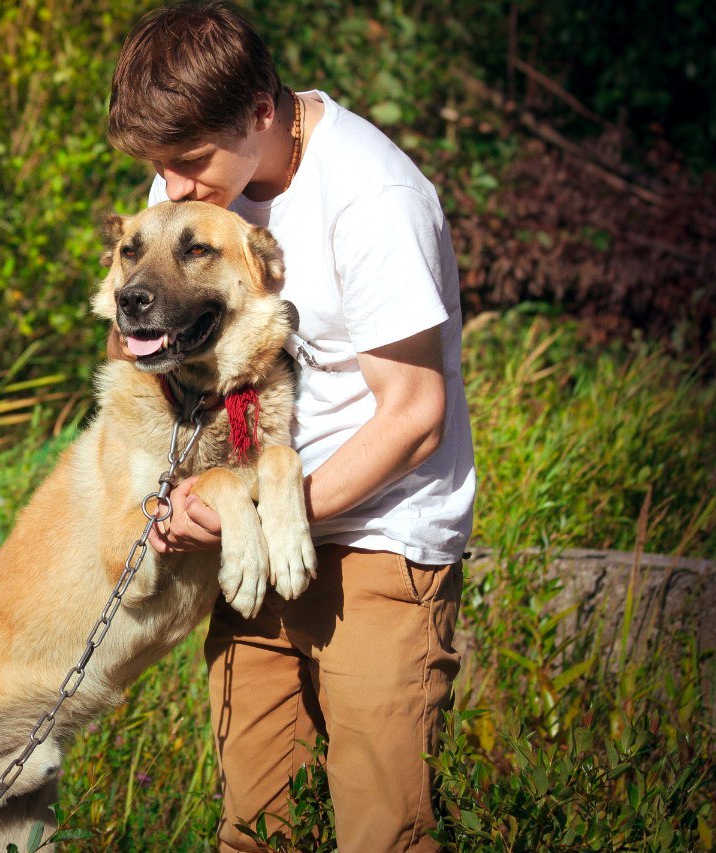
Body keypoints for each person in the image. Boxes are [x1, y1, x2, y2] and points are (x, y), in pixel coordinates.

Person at [105, 3, 476, 851]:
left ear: (261, 113)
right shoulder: (194, 187)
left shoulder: (373, 195)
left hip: (382, 544)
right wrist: (175, 494)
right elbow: (140, 356)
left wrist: (281, 511)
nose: (173, 185)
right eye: (160, 164)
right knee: (254, 829)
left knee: (381, 833)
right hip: (254, 539)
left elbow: (416, 415)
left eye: (188, 160)